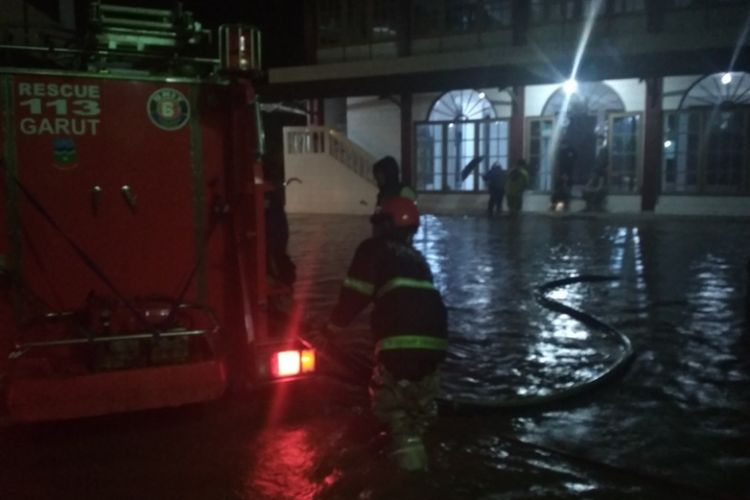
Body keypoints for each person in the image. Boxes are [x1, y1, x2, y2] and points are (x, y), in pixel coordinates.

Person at [312, 197, 448, 472]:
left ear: (385, 225)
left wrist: (328, 331)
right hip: (436, 344)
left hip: (399, 343)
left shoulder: (373, 249)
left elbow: (354, 296)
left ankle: (409, 482)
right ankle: (423, 459)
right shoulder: (418, 260)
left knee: (395, 414)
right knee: (418, 410)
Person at [550, 140, 576, 211]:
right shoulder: (564, 152)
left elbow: (564, 164)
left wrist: (564, 174)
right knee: (562, 193)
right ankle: (562, 207)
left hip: (564, 175)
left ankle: (561, 208)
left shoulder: (563, 152)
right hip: (564, 176)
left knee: (562, 194)